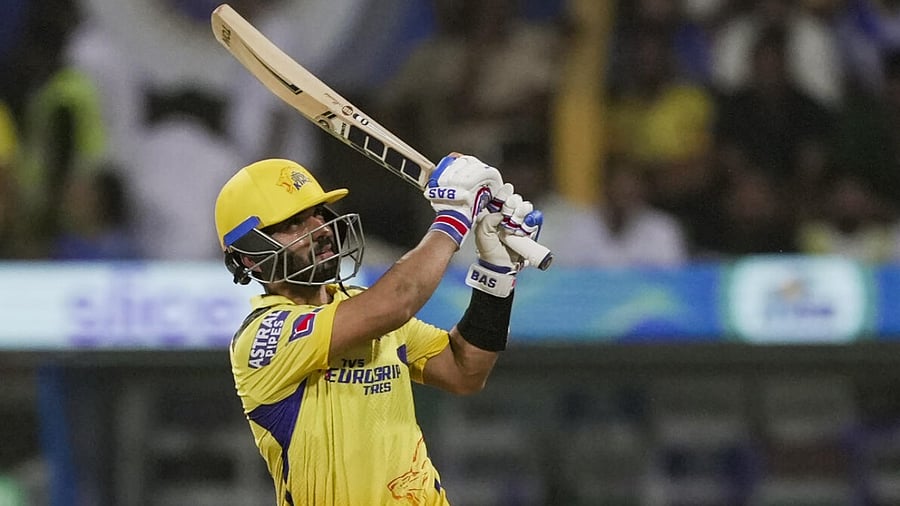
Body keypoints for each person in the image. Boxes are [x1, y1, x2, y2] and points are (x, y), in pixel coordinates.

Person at [213, 154, 541, 505]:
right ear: (250, 256)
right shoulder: (263, 337)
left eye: (319, 214)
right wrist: (454, 216)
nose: (321, 229)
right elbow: (396, 301)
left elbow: (464, 371)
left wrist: (497, 273)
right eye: (295, 223)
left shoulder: (364, 305)